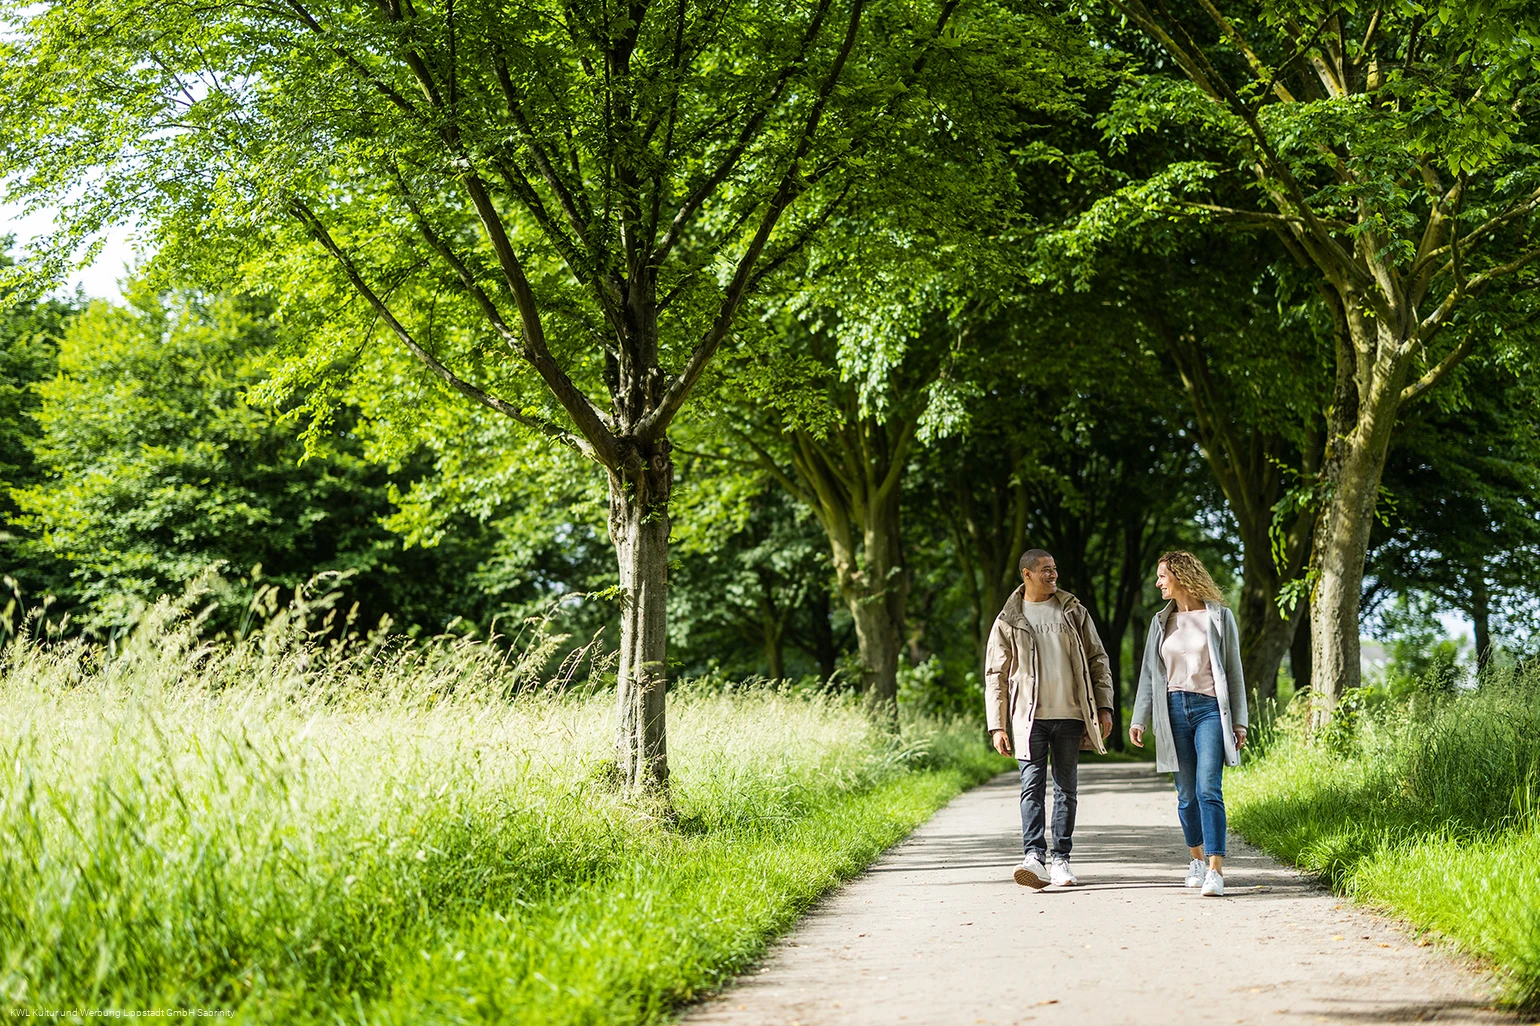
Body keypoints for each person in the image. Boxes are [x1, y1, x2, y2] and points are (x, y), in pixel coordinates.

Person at [985, 549, 1115, 889]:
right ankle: (1033, 856)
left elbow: (1098, 659)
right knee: (1031, 787)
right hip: (1028, 719)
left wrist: (1104, 706)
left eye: (1054, 568)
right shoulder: (1008, 618)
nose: (1053, 574)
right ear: (1027, 574)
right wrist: (997, 725)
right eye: (1045, 569)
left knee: (1066, 789)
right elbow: (996, 675)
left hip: (1071, 714)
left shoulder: (1073, 610)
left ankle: (1061, 859)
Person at [1129, 550, 1248, 897]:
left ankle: (1215, 870)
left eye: (1162, 576)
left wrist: (1239, 722)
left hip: (1210, 710)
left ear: (1180, 576)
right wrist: (1140, 718)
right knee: (1185, 795)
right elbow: (1149, 674)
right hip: (1173, 711)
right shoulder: (1160, 622)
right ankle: (1195, 860)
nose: (1158, 583)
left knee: (1208, 788)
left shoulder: (1219, 617)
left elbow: (1234, 670)